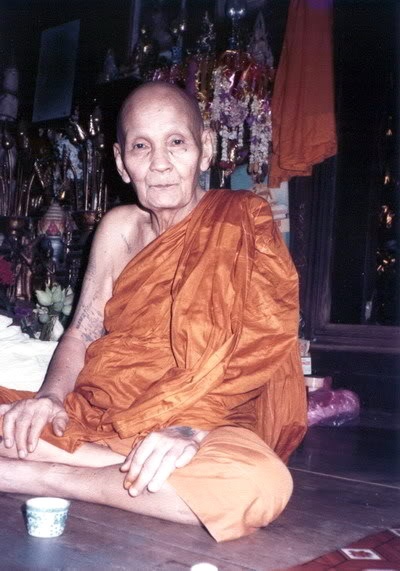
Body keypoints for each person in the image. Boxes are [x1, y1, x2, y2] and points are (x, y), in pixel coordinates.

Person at [0, 82, 307, 542]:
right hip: (99, 414)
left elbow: (261, 346)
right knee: (20, 417)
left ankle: (39, 475)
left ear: (205, 149)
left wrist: (188, 429)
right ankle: (121, 467)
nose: (160, 163)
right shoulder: (119, 228)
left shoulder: (244, 218)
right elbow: (82, 332)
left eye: (176, 142)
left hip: (205, 422)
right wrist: (49, 399)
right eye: (141, 147)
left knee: (256, 486)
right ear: (122, 162)